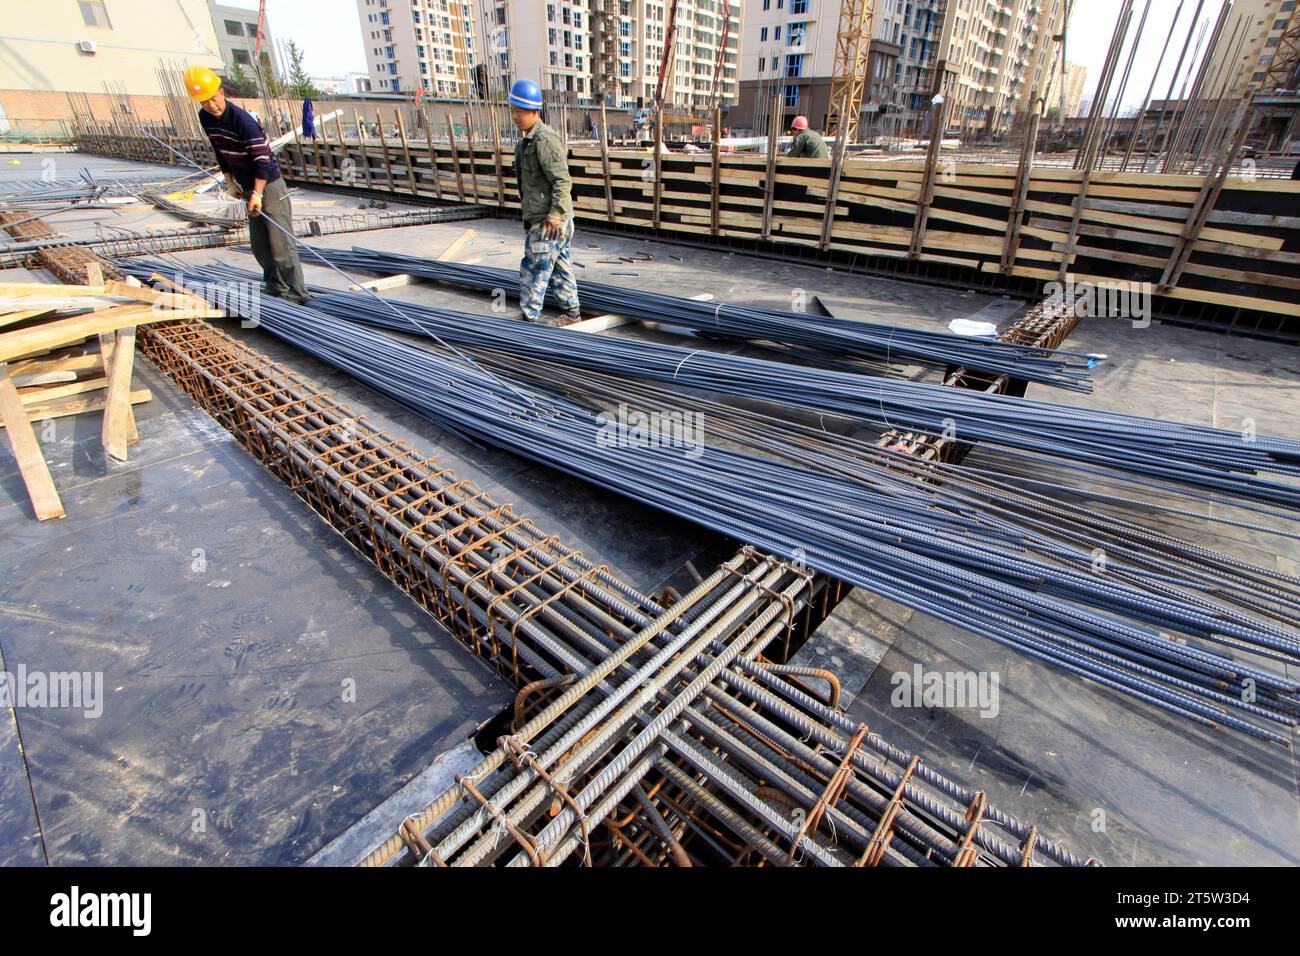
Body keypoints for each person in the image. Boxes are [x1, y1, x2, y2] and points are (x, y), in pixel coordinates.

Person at [184, 65, 309, 304]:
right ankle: (276, 289)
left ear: (221, 92)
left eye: (213, 98)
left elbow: (262, 159)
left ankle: (297, 295)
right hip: (247, 186)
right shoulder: (206, 118)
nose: (210, 105)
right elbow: (220, 150)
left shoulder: (243, 121)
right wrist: (230, 181)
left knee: (281, 245)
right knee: (261, 246)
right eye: (204, 102)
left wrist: (258, 194)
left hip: (268, 186)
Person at [509, 78, 581, 325]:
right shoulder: (525, 142)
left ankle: (529, 320)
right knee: (560, 267)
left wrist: (554, 215)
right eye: (513, 110)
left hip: (550, 221)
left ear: (533, 111)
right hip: (545, 218)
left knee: (534, 269)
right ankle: (572, 313)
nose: (515, 116)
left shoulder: (544, 139)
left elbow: (562, 181)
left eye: (519, 111)